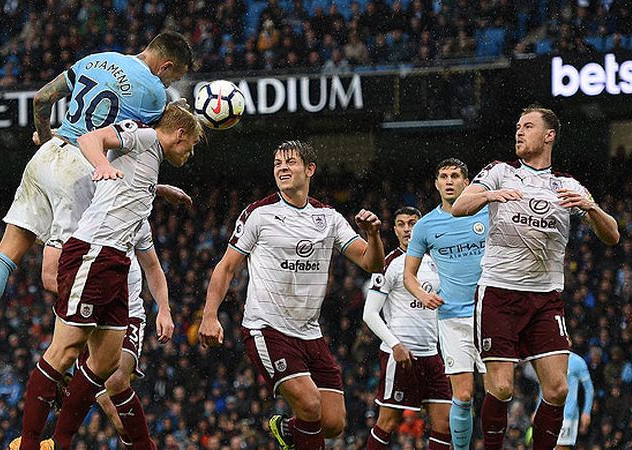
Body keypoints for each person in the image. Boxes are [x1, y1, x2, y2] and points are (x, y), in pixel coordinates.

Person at [0, 31, 194, 390]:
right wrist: (159, 185)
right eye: (171, 77)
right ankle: (63, 364)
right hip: (81, 172)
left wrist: (44, 136)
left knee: (7, 251)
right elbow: (150, 146)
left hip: (48, 154)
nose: (167, 83)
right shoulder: (153, 91)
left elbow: (42, 97)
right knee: (62, 274)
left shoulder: (97, 58)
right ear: (166, 65)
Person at [14, 103, 202, 450]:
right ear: (179, 135)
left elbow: (128, 182)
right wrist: (101, 164)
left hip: (115, 261)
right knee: (63, 352)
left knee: (106, 363)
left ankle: (60, 441)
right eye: (190, 146)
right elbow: (91, 139)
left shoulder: (150, 160)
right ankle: (30, 443)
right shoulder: (144, 137)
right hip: (94, 251)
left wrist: (159, 189)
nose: (189, 154)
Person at [198, 141, 385, 450]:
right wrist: (209, 315)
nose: (282, 168)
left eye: (290, 162)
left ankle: (286, 429)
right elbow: (226, 267)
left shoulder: (329, 218)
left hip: (310, 333)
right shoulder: (259, 214)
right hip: (267, 328)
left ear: (309, 170)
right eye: (277, 164)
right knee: (310, 405)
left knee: (334, 423)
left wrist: (374, 235)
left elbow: (372, 263)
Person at [452, 105, 619, 450]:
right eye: (517, 126)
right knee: (500, 388)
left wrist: (591, 209)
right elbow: (460, 206)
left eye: (527, 126)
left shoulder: (567, 186)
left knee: (558, 389)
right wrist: (489, 195)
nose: (519, 132)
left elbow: (612, 236)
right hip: (500, 293)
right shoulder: (499, 172)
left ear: (549, 135)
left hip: (545, 298)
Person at [402, 158, 488, 450]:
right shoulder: (425, 226)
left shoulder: (487, 214)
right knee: (463, 395)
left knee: (497, 392)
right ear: (437, 183)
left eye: (455, 176)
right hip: (452, 319)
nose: (449, 181)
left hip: (490, 315)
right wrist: (423, 295)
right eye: (443, 176)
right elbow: (408, 276)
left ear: (467, 182)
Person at [363, 207, 451, 450]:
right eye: (401, 224)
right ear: (394, 230)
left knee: (444, 422)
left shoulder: (438, 261)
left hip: (432, 355)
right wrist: (395, 345)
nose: (407, 229)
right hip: (401, 355)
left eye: (412, 223)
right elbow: (369, 314)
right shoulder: (389, 263)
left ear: (422, 226)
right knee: (389, 421)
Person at [83, 220, 173, 449]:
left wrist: (164, 309)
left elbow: (153, 268)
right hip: (89, 321)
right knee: (120, 423)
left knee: (115, 380)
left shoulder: (138, 221)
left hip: (128, 316)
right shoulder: (83, 218)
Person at [556, 346, 593, 449]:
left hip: (568, 412)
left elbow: (589, 388)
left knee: (561, 446)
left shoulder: (577, 361)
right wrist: (537, 408)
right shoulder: (550, 361)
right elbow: (544, 386)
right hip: (550, 411)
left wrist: (586, 411)